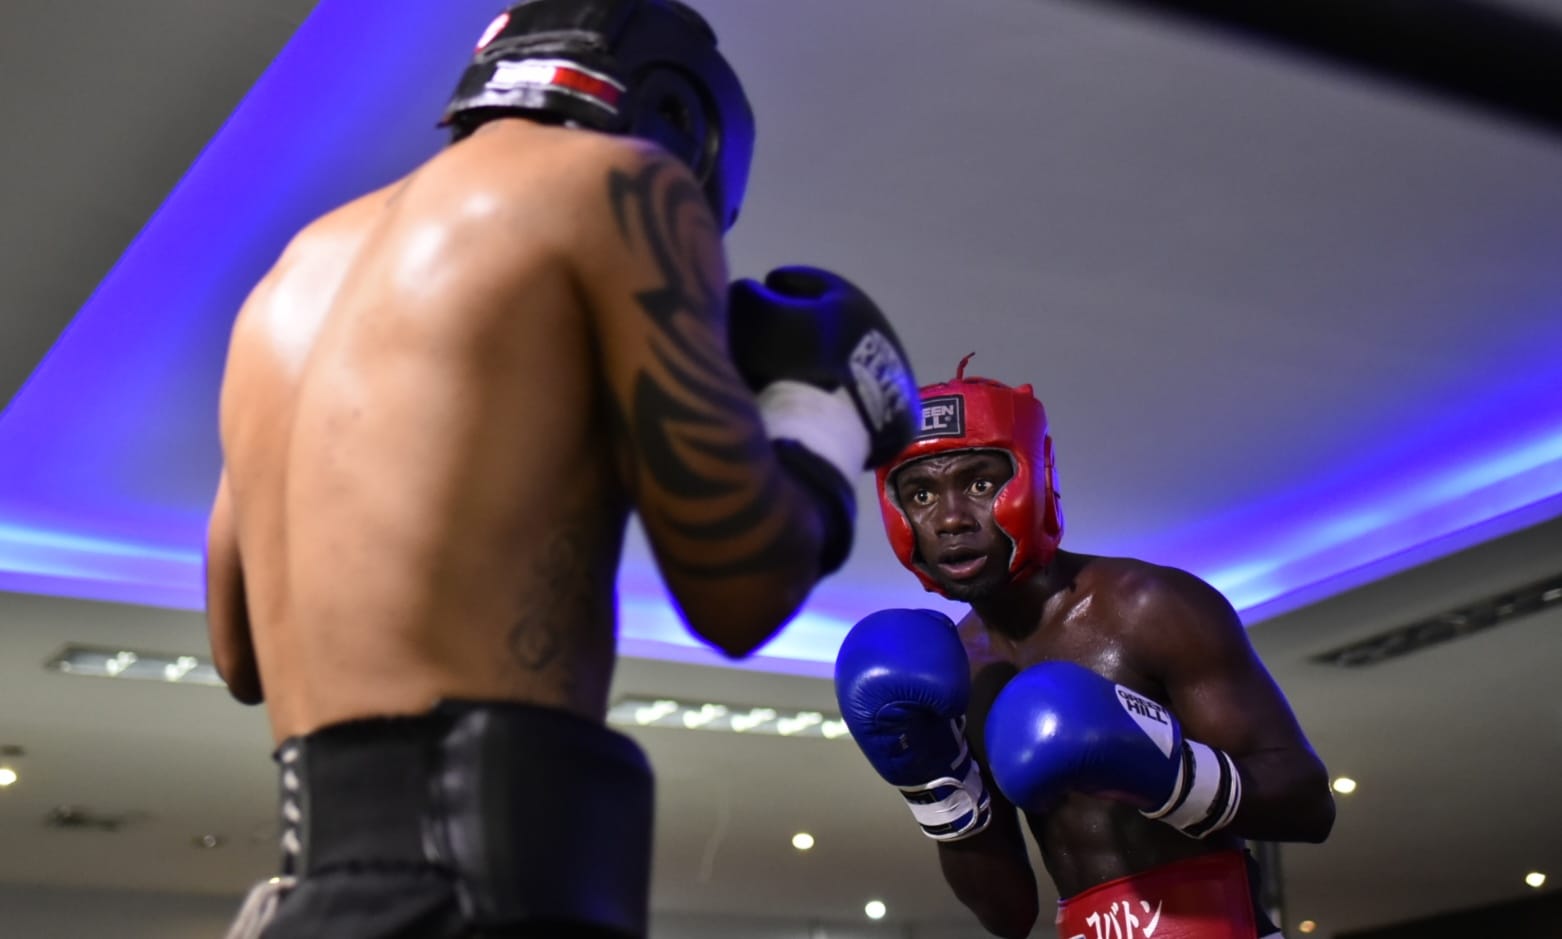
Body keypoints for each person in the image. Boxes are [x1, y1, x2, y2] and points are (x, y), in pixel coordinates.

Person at [205, 3, 921, 937]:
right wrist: (820, 416)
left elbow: (239, 652)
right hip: (486, 891)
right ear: (684, 126)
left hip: (306, 898)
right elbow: (740, 592)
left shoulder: (293, 271)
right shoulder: (626, 188)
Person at [834, 355, 1334, 939]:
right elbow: (1009, 914)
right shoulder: (958, 671)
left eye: (979, 483)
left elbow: (1309, 804)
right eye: (920, 495)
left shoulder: (1148, 607)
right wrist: (931, 786)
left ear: (1036, 478)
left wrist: (1170, 774)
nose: (949, 519)